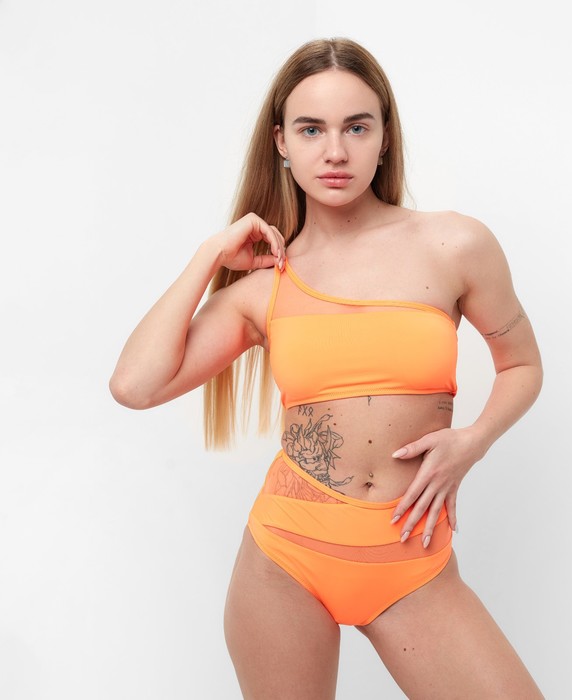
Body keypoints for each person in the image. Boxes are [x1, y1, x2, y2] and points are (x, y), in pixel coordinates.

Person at [110, 37, 544, 699]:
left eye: (356, 128)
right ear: (281, 142)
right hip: (286, 558)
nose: (335, 151)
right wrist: (210, 255)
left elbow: (522, 364)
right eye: (311, 129)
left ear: (385, 138)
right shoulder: (265, 288)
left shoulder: (454, 244)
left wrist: (473, 441)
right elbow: (134, 386)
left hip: (412, 561)